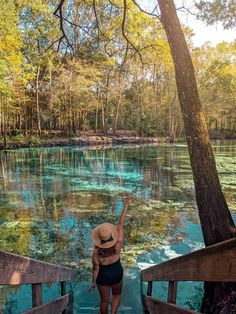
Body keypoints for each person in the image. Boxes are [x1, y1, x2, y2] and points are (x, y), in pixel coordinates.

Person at [89, 195, 132, 314]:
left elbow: (95, 268)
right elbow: (120, 223)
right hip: (117, 273)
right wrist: (126, 205)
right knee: (117, 294)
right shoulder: (118, 244)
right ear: (112, 236)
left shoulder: (96, 252)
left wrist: (93, 282)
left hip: (102, 277)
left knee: (104, 300)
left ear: (99, 239)